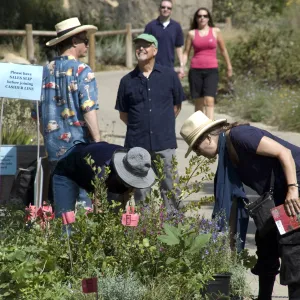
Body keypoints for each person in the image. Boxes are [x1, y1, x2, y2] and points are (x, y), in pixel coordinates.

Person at [180, 111, 300, 300]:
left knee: (292, 248)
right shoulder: (227, 157)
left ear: (208, 138)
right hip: (278, 194)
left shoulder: (240, 136)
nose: (197, 154)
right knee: (266, 242)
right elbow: (233, 205)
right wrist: (231, 250)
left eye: (196, 147)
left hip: (294, 185)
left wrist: (293, 189)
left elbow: (283, 152)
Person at [32, 17, 101, 207]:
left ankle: (64, 236)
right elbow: (88, 110)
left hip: (54, 151)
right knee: (83, 205)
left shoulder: (43, 72)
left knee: (62, 208)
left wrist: (49, 138)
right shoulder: (82, 70)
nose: (87, 45)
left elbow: (36, 115)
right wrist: (98, 143)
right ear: (74, 41)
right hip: (79, 149)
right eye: (85, 41)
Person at [115, 33, 184, 210]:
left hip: (164, 142)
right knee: (141, 191)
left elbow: (177, 106)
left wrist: (161, 123)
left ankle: (175, 229)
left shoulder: (169, 76)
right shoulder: (126, 81)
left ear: (155, 50)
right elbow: (124, 115)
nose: (141, 48)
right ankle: (146, 231)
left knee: (170, 188)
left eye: (146, 45)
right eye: (138, 45)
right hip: (137, 145)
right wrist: (142, 126)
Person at [52, 142, 156, 217]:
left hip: (90, 175)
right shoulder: (103, 169)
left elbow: (125, 198)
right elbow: (99, 207)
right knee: (65, 219)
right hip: (67, 171)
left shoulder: (135, 162)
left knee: (113, 216)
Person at [182, 8, 232, 119]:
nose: (202, 18)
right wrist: (182, 67)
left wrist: (229, 66)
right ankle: (199, 131)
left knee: (209, 100)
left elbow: (223, 50)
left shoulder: (215, 31)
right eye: (199, 16)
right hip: (195, 70)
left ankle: (210, 130)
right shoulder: (191, 34)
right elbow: (186, 53)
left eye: (205, 16)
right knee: (199, 102)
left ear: (208, 18)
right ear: (196, 18)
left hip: (211, 70)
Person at [144, 0, 184, 76]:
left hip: (169, 67)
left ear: (171, 11)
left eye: (169, 8)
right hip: (152, 68)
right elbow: (144, 47)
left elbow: (179, 47)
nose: (166, 9)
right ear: (159, 9)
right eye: (163, 7)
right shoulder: (150, 26)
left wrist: (181, 66)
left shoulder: (176, 27)